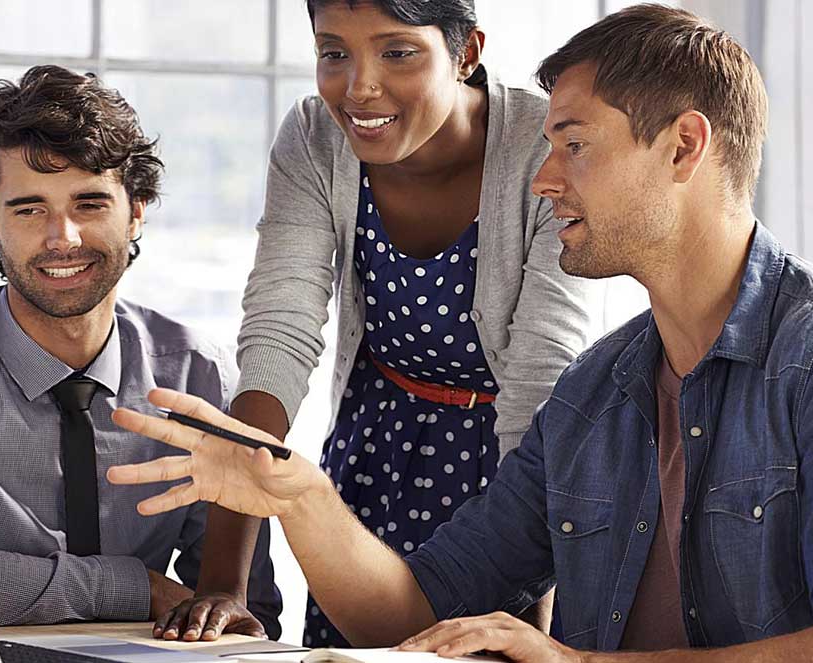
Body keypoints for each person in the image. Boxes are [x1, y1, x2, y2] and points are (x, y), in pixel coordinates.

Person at [110, 5, 813, 661]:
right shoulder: (597, 394)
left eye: (573, 145)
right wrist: (304, 495)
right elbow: (419, 611)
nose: (541, 179)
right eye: (547, 145)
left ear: (685, 147)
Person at [165, 0, 602, 644]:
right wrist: (223, 584)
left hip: (518, 469)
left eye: (398, 52)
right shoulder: (316, 138)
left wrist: (531, 600)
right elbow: (278, 336)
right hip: (374, 453)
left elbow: (543, 378)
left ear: (466, 52)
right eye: (334, 53)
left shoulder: (545, 147)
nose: (359, 86)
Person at [0, 65, 282, 635]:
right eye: (29, 209)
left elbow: (242, 614)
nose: (62, 237)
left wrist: (213, 608)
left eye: (90, 203)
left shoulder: (202, 376)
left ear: (137, 209)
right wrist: (133, 587)